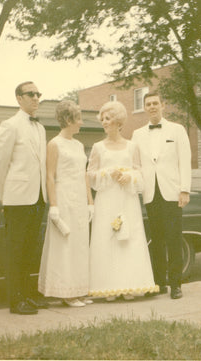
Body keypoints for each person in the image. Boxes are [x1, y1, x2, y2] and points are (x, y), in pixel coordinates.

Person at [87, 101, 158, 301]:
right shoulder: (97, 147)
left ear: (118, 121)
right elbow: (90, 174)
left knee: (129, 238)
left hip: (127, 198)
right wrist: (107, 173)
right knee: (107, 238)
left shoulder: (132, 146)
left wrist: (130, 177)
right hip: (107, 199)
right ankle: (108, 287)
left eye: (107, 119)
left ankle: (130, 285)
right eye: (102, 119)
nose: (104, 123)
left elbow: (140, 172)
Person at [0, 81, 48, 315]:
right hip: (17, 199)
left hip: (38, 198)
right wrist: (4, 197)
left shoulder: (40, 128)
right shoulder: (9, 125)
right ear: (19, 98)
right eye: (30, 94)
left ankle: (27, 294)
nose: (35, 98)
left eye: (38, 94)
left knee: (29, 250)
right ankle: (16, 300)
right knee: (16, 251)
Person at [131, 90, 191, 299]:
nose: (152, 107)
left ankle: (176, 284)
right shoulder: (137, 134)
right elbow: (136, 165)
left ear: (163, 105)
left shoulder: (177, 130)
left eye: (155, 103)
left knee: (174, 238)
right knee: (156, 240)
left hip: (172, 192)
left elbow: (185, 160)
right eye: (148, 104)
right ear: (145, 108)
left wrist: (184, 190)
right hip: (150, 193)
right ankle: (159, 283)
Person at [38, 100, 95, 307]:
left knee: (79, 244)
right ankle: (65, 292)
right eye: (78, 119)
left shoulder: (79, 145)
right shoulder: (54, 144)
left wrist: (90, 201)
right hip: (63, 197)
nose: (81, 123)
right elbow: (50, 176)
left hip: (79, 197)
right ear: (69, 119)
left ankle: (78, 290)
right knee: (66, 244)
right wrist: (53, 206)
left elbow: (84, 174)